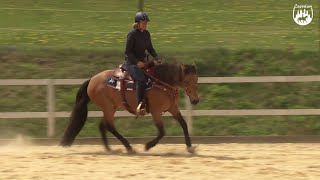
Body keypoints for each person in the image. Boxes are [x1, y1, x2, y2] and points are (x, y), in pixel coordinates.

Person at [124, 12, 161, 115]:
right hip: (131, 63)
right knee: (141, 79)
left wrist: (157, 57)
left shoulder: (147, 34)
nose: (145, 24)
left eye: (146, 23)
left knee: (154, 76)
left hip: (143, 62)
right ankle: (140, 105)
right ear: (137, 23)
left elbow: (150, 48)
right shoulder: (132, 34)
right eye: (143, 22)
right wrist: (137, 62)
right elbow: (127, 52)